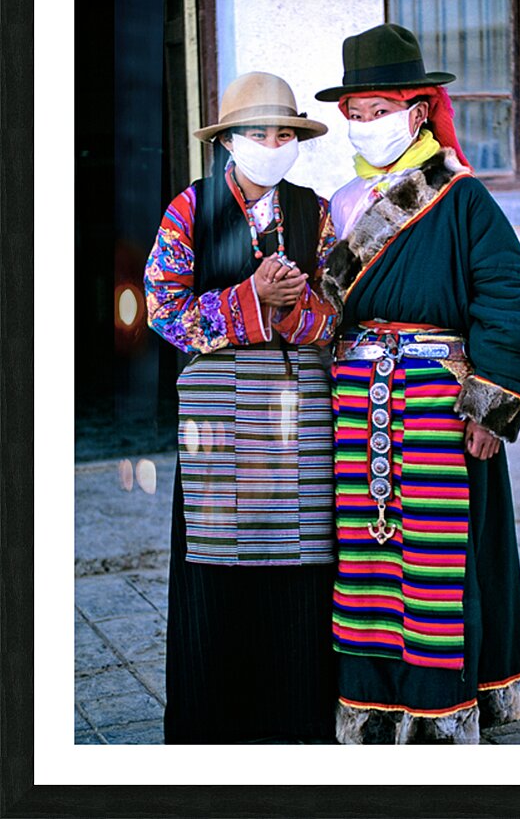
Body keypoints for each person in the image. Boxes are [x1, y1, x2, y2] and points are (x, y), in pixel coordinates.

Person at [314, 23, 520, 744]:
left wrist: (490, 405)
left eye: (380, 109)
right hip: (356, 408)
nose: (367, 124)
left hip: (435, 409)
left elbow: (518, 299)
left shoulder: (460, 199)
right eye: (355, 113)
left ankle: (441, 708)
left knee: (432, 561)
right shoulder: (342, 205)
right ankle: (371, 699)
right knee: (363, 559)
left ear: (417, 111)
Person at [144, 71, 339, 744]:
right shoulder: (188, 210)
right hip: (218, 423)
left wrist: (295, 308)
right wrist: (251, 297)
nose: (272, 142)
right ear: (227, 140)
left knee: (301, 567)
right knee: (213, 572)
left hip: (299, 418)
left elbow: (338, 320)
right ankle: (212, 735)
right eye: (258, 132)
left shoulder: (316, 212)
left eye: (284, 132)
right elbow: (161, 311)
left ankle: (297, 726)